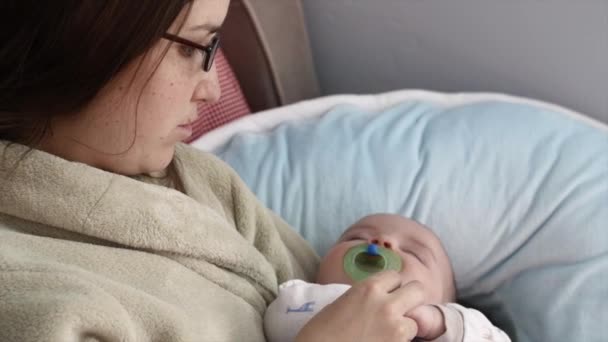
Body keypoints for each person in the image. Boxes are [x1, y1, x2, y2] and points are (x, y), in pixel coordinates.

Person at [1, 1, 425, 341]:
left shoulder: (200, 179)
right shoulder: (31, 299)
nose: (212, 89)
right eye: (191, 47)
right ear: (89, 36)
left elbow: (327, 293)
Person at [264, 214, 511, 342]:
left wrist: (442, 323)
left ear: (445, 299)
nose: (383, 242)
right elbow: (277, 321)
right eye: (356, 237)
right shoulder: (297, 297)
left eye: (415, 253)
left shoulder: (453, 327)